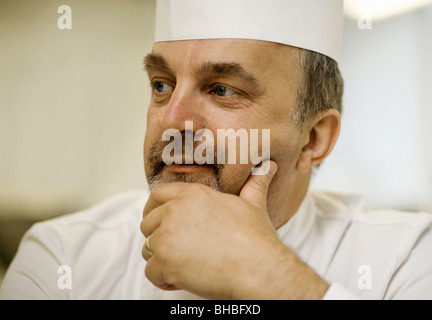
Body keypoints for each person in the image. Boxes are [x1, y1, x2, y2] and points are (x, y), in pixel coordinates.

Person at [1, 0, 432, 300]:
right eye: (161, 85)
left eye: (222, 90)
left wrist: (264, 273)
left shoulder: (404, 259)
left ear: (313, 138)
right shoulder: (64, 259)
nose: (172, 120)